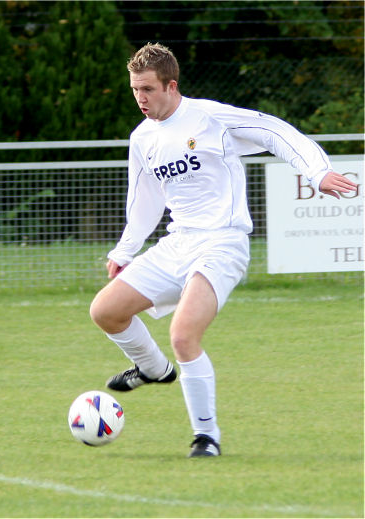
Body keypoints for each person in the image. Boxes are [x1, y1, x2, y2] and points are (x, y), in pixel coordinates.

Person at [89, 43, 358, 458]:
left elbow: (275, 131)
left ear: (171, 85)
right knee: (105, 311)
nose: (140, 98)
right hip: (178, 243)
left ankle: (206, 436)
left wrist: (316, 171)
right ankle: (153, 370)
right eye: (134, 89)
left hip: (222, 242)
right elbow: (144, 200)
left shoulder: (210, 118)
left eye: (147, 89)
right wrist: (125, 250)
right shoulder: (142, 139)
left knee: (183, 335)